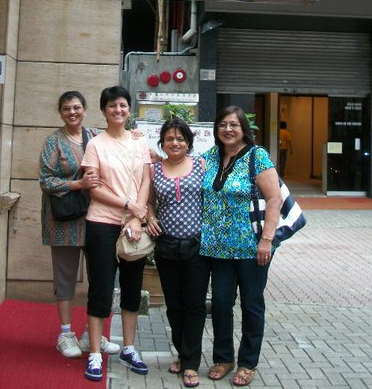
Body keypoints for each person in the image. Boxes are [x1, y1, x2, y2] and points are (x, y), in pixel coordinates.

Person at [201, 106, 281, 387]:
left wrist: (267, 240)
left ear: (243, 128)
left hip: (252, 249)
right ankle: (224, 358)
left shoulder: (257, 156)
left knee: (251, 304)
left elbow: (274, 199)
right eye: (223, 124)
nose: (228, 129)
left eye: (233, 124)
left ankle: (248, 363)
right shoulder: (211, 156)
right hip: (218, 249)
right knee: (221, 303)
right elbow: (182, 167)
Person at [39, 91, 120, 359]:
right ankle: (65, 333)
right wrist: (78, 184)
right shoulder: (54, 141)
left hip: (95, 217)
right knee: (65, 277)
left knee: (99, 275)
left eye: (76, 107)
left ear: (85, 110)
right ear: (60, 112)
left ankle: (91, 333)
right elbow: (45, 181)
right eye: (66, 108)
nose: (72, 112)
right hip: (63, 221)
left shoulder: (96, 135)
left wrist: (138, 136)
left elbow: (120, 142)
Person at [81, 86, 152, 382]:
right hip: (101, 223)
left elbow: (146, 179)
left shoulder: (140, 141)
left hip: (133, 225)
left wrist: (137, 217)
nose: (118, 110)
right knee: (100, 287)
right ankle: (96, 352)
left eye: (123, 105)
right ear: (104, 110)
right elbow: (93, 187)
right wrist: (128, 205)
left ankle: (129, 347)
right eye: (112, 106)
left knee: (132, 288)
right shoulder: (95, 144)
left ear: (129, 108)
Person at [147, 118, 210, 389]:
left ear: (189, 142)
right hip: (167, 246)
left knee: (194, 306)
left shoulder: (201, 166)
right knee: (174, 306)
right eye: (170, 139)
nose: (175, 143)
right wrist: (149, 217)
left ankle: (191, 363)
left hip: (197, 248)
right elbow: (148, 202)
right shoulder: (155, 170)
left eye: (180, 139)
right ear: (162, 142)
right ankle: (182, 354)